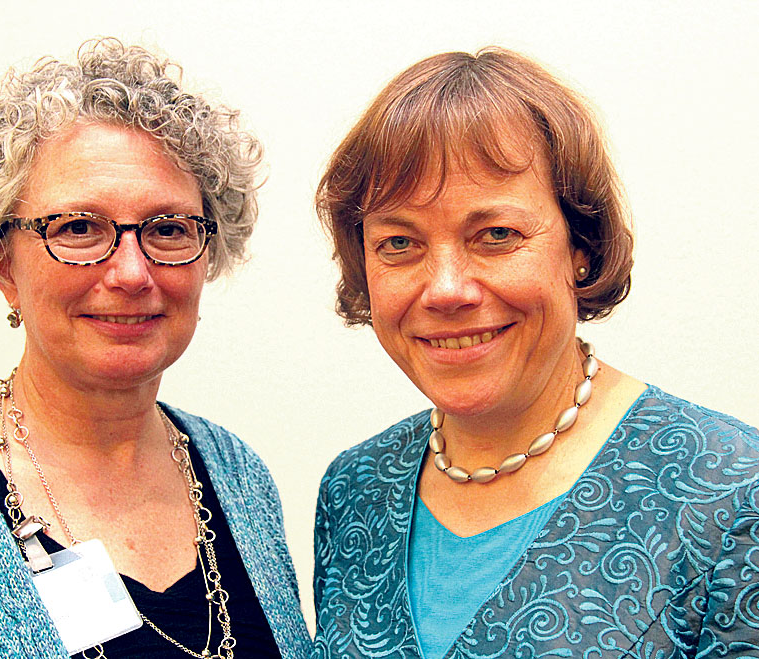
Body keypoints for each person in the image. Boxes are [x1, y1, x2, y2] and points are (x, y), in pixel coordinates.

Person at [0, 38, 310, 659]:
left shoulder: (238, 475)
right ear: (4, 263)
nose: (131, 273)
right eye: (78, 227)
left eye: (169, 229)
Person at [312, 48, 759, 658]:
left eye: (497, 235)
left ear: (581, 245)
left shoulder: (730, 492)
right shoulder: (355, 489)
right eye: (398, 242)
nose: (446, 289)